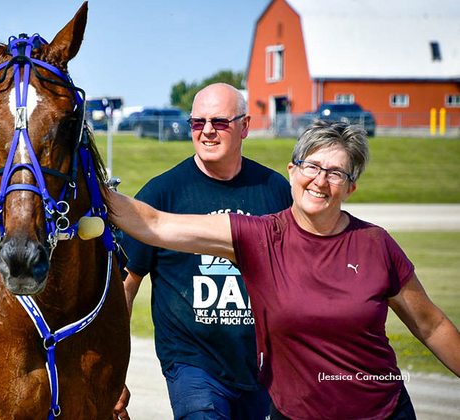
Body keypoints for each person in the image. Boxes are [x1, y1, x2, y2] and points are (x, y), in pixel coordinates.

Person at [108, 120, 460, 419]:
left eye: (336, 173)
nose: (320, 181)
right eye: (312, 167)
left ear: (351, 187)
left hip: (383, 410)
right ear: (292, 171)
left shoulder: (376, 243)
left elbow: (432, 325)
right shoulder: (258, 238)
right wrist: (80, 177)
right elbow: (154, 224)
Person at [120, 83, 291, 420]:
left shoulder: (275, 191)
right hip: (191, 361)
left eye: (220, 122)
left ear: (245, 126)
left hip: (261, 365)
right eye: (198, 123)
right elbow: (126, 284)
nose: (208, 131)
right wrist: (113, 372)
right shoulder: (161, 194)